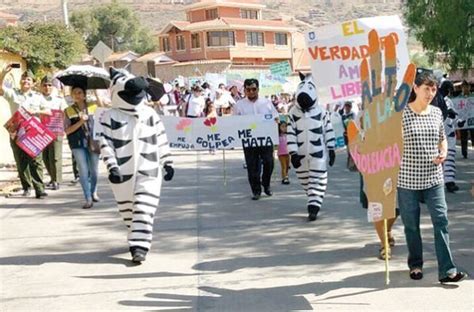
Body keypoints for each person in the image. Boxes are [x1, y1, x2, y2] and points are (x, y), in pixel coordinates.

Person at [99, 68, 174, 263]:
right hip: (122, 175)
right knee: (129, 212)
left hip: (149, 170)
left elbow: (161, 139)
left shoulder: (150, 114)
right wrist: (112, 166)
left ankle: (139, 246)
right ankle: (136, 235)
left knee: (144, 207)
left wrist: (167, 162)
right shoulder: (109, 116)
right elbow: (106, 144)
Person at [397, 72, 466, 283]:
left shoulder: (436, 113)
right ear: (415, 88)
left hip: (433, 178)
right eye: (426, 88)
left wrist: (443, 152)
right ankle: (415, 264)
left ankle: (447, 270)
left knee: (441, 221)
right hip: (407, 179)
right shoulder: (401, 114)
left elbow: (442, 139)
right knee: (411, 225)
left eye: (433, 89)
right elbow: (390, 142)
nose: (430, 93)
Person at [0, 65, 47, 198]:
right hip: (16, 131)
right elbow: (0, 89)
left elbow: (48, 111)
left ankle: (39, 189)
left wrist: (36, 111)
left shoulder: (38, 97)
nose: (26, 81)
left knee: (36, 161)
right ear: (20, 81)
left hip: (33, 133)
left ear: (33, 83)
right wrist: (3, 73)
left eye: (28, 80)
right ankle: (26, 187)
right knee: (21, 161)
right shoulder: (13, 93)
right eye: (23, 79)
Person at [234, 78, 279, 200]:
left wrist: (277, 124)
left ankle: (266, 184)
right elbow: (234, 122)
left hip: (265, 139)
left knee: (269, 162)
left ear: (258, 89)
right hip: (249, 141)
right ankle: (256, 190)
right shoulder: (239, 105)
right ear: (244, 90)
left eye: (253, 89)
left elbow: (276, 117)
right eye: (248, 90)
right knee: (252, 166)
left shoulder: (267, 103)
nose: (251, 92)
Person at [64, 85, 100, 209]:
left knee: (94, 170)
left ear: (84, 94)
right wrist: (80, 122)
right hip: (77, 143)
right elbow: (67, 130)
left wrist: (97, 93)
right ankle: (88, 198)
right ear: (72, 95)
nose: (77, 95)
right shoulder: (68, 110)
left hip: (93, 142)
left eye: (80, 92)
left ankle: (93, 190)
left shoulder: (93, 106)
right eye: (74, 93)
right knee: (83, 171)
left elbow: (103, 113)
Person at [39, 74, 68, 190]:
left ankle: (57, 180)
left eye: (49, 85)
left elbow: (65, 114)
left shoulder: (59, 100)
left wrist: (64, 128)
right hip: (41, 132)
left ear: (53, 87)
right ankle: (52, 177)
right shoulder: (36, 99)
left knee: (55, 156)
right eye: (45, 85)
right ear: (41, 87)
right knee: (45, 157)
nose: (47, 87)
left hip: (56, 131)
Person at [439, 80, 460, 192]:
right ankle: (434, 184)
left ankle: (450, 181)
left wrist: (459, 121)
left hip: (450, 133)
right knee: (437, 159)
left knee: (450, 158)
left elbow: (454, 114)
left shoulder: (449, 101)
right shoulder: (433, 100)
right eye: (447, 89)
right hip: (437, 134)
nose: (448, 92)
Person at [459, 80, 473, 159]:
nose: (465, 88)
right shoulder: (458, 98)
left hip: (472, 120)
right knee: (463, 137)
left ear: (469, 87)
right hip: (463, 120)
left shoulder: (472, 96)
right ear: (462, 88)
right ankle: (464, 153)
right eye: (464, 87)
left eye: (467, 86)